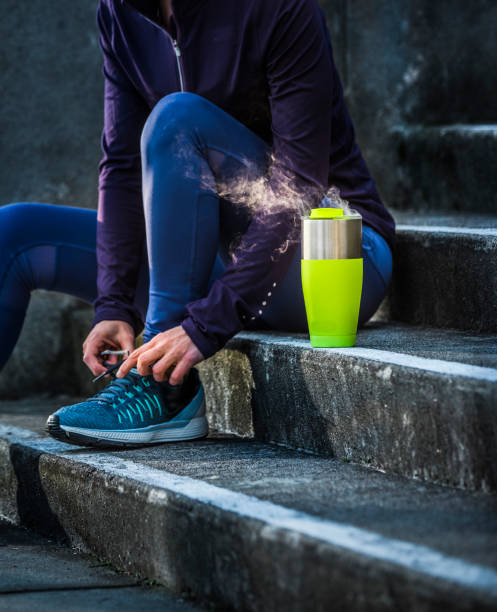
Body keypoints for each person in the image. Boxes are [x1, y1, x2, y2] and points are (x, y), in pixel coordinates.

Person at [0, 0, 395, 447]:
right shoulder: (119, 11)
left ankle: (165, 387)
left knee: (177, 118)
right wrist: (113, 303)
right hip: (214, 261)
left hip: (329, 258)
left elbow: (299, 184)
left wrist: (204, 325)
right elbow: (123, 167)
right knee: (14, 233)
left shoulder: (280, 7)